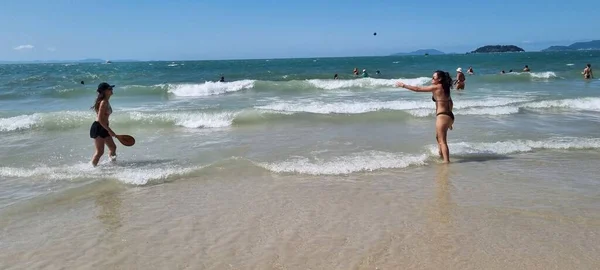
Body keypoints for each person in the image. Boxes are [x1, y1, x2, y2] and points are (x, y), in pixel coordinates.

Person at [396, 71, 454, 163]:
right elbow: (450, 103)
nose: (432, 79)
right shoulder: (445, 88)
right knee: (438, 137)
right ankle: (441, 155)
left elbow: (417, 89)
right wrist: (450, 122)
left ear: (439, 79)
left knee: (442, 141)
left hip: (442, 116)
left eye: (433, 78)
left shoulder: (436, 87)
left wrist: (404, 85)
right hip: (449, 116)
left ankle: (446, 162)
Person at [90, 82, 117, 167]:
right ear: (104, 91)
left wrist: (107, 129)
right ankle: (92, 168)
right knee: (100, 151)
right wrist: (110, 130)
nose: (112, 89)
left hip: (104, 127)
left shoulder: (106, 101)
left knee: (113, 147)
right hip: (98, 127)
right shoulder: (103, 102)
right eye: (109, 89)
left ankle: (112, 164)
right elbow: (101, 119)